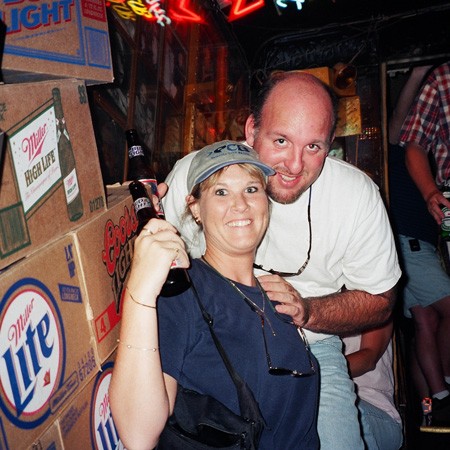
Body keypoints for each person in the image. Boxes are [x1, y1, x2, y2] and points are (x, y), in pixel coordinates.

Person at [161, 71, 401, 449]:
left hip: (310, 343)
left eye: (313, 147)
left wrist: (308, 310)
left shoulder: (355, 196)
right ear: (252, 129)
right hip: (211, 335)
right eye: (281, 140)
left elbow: (381, 303)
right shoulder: (198, 175)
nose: (293, 164)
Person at [109, 141, 320, 449]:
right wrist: (139, 294)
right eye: (221, 192)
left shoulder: (274, 296)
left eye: (251, 189)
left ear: (267, 202)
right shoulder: (184, 291)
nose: (240, 204)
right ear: (195, 208)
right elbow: (138, 434)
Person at [397, 62, 450, 425]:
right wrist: (416, 73)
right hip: (408, 244)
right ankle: (444, 390)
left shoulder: (428, 157)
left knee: (425, 324)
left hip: (414, 246)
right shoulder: (400, 154)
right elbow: (402, 127)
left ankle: (431, 409)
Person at [343, 322, 403, 449]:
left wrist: (314, 370)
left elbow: (369, 358)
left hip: (374, 407)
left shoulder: (374, 305)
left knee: (336, 411)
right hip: (328, 402)